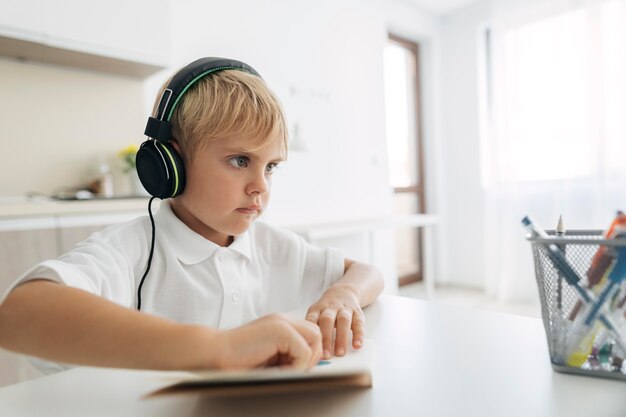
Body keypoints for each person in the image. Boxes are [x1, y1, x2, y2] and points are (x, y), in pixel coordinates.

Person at [0, 57, 384, 374]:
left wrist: (344, 293)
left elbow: (368, 273)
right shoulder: (130, 252)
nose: (261, 186)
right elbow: (18, 314)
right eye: (239, 160)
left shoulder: (274, 247)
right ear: (170, 163)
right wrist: (216, 348)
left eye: (271, 167)